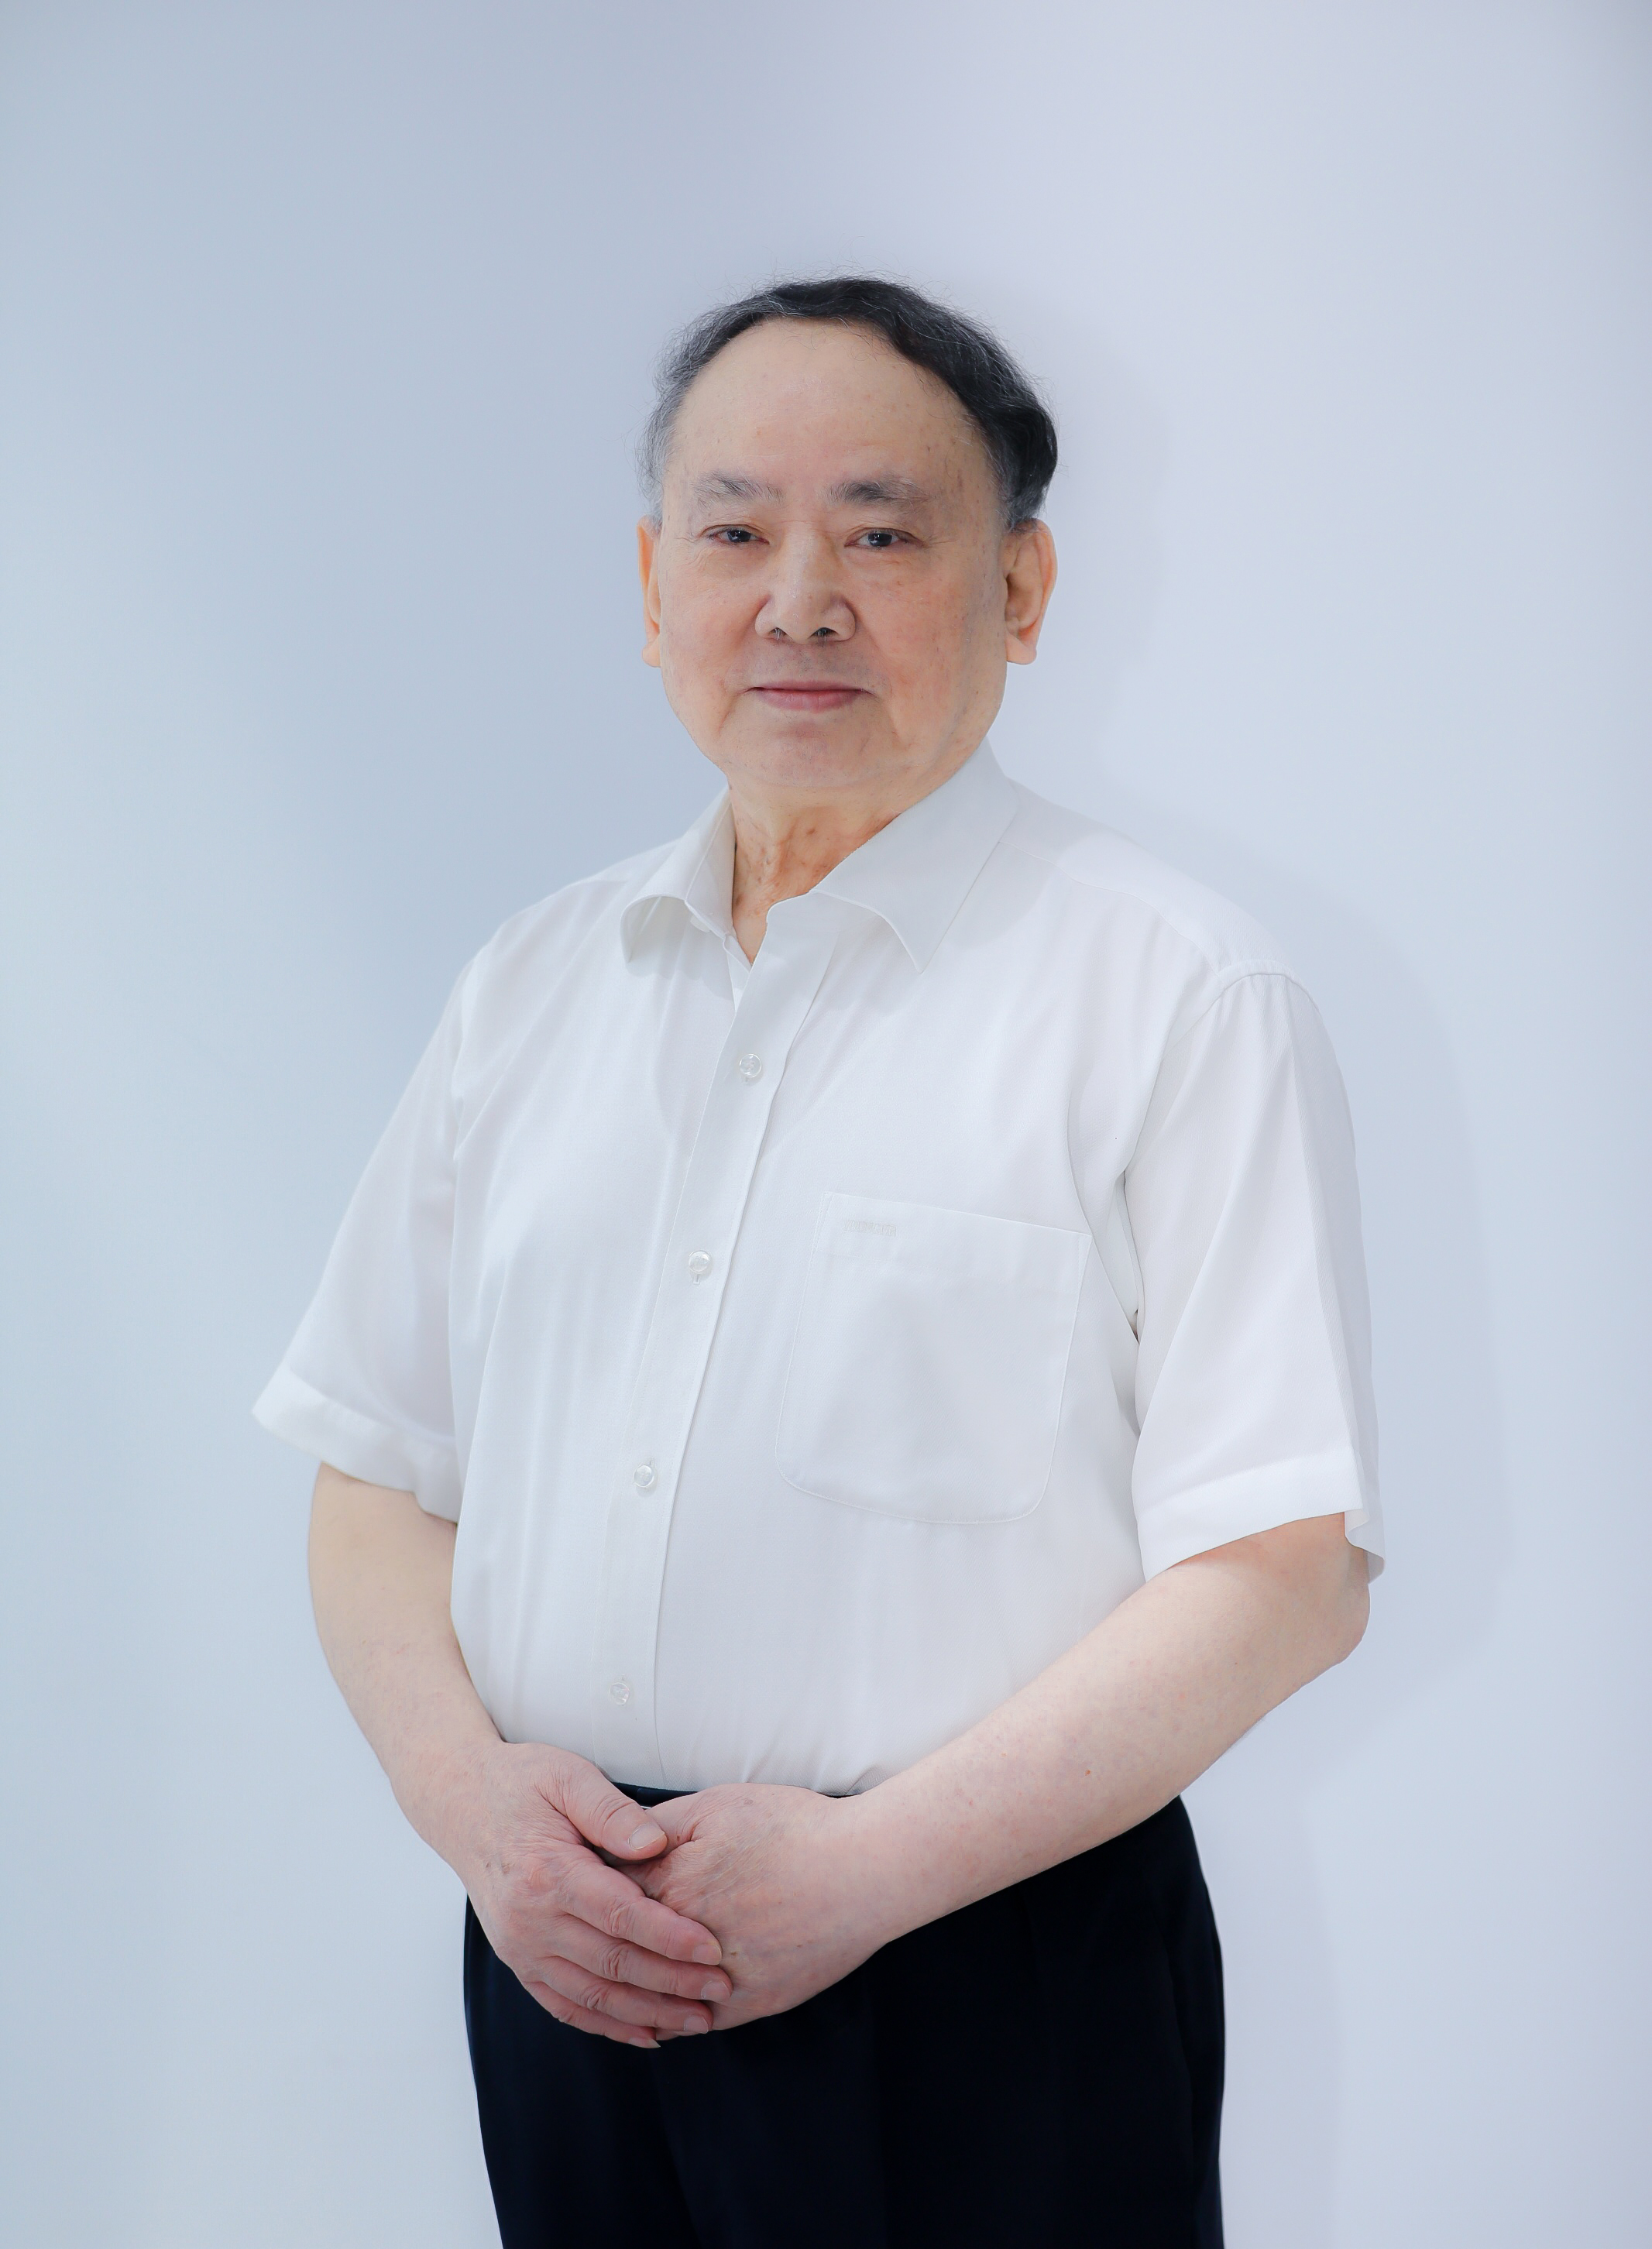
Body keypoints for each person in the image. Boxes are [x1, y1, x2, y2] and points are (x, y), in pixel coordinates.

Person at [256, 276, 1381, 2248]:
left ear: (1018, 589)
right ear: (649, 583)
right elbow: (376, 1472)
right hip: (564, 1948)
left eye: (877, 534)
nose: (796, 602)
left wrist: (862, 1876)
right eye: (732, 532)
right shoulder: (533, 983)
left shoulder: (1174, 993)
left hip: (983, 1972)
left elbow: (1282, 1573)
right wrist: (474, 1811)